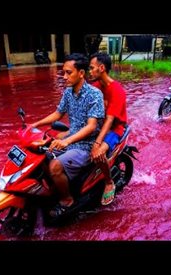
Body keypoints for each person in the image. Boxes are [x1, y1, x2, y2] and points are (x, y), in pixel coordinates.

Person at [31, 53, 104, 217]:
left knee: (55, 166)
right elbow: (57, 114)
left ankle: (67, 200)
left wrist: (66, 140)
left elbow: (92, 126)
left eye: (68, 72)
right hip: (70, 140)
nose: (64, 77)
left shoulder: (94, 94)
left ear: (81, 73)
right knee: (41, 156)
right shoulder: (68, 92)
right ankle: (58, 187)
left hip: (86, 145)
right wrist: (34, 124)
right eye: (63, 72)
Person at [88, 52, 127, 206]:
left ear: (102, 68)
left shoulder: (117, 90)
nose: (89, 72)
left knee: (98, 154)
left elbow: (110, 120)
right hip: (98, 125)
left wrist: (97, 143)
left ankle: (109, 181)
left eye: (92, 68)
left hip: (114, 129)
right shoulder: (96, 86)